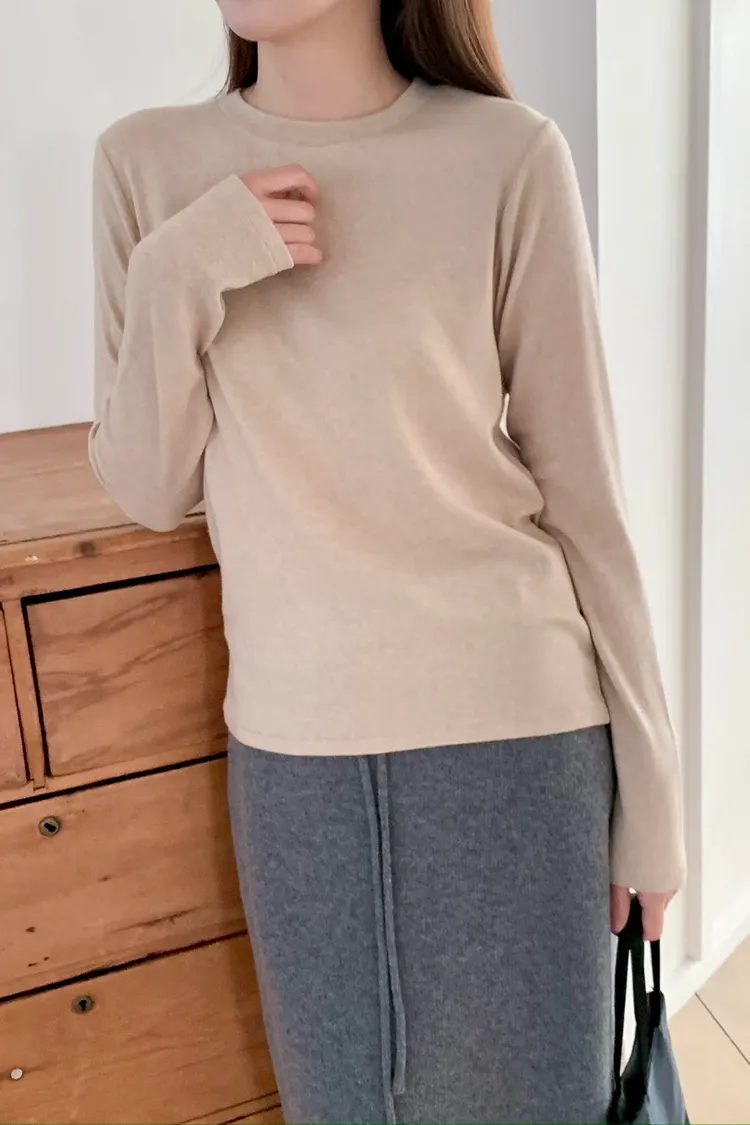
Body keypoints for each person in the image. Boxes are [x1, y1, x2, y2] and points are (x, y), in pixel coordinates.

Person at [89, 1, 686, 1121]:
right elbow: (149, 486)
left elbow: (586, 495)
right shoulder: (146, 164)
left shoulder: (506, 155)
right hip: (294, 762)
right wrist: (179, 274)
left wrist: (653, 795)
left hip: (518, 742)